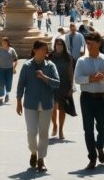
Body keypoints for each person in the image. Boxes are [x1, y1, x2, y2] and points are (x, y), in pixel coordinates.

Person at [16, 40, 60, 173]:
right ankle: (33, 152)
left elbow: (57, 83)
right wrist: (18, 101)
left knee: (43, 133)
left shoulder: (50, 65)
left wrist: (44, 77)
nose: (44, 52)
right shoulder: (27, 66)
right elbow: (21, 85)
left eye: (45, 50)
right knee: (31, 133)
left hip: (47, 104)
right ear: (35, 50)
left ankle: (41, 159)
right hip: (30, 104)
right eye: (41, 49)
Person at [74, 32, 104, 170]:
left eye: (91, 43)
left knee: (103, 128)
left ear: (99, 43)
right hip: (86, 98)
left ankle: (100, 146)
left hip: (101, 98)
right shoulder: (81, 61)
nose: (88, 46)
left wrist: (103, 77)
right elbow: (77, 79)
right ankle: (92, 157)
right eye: (87, 43)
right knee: (88, 129)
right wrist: (90, 79)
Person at [50, 38, 74, 140]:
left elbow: (70, 73)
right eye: (57, 44)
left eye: (61, 44)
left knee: (62, 109)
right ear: (55, 45)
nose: (59, 46)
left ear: (64, 46)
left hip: (64, 85)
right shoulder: (50, 56)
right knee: (53, 108)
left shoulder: (68, 58)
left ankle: (60, 129)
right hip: (52, 85)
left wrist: (72, 87)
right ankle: (54, 124)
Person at [0, 37, 18, 104]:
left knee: (9, 83)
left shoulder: (12, 50)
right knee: (1, 83)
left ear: (7, 43)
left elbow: (16, 60)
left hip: (9, 69)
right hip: (0, 69)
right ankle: (1, 98)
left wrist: (14, 68)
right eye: (2, 42)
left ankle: (7, 94)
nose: (3, 44)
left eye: (5, 42)